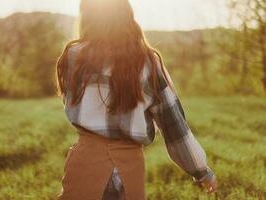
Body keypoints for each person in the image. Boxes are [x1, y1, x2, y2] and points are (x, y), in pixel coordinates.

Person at [55, 0, 218, 199]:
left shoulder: (73, 56)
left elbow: (69, 102)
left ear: (86, 16)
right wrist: (201, 170)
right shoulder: (148, 61)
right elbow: (174, 126)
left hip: (85, 162)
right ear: (127, 15)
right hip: (128, 169)